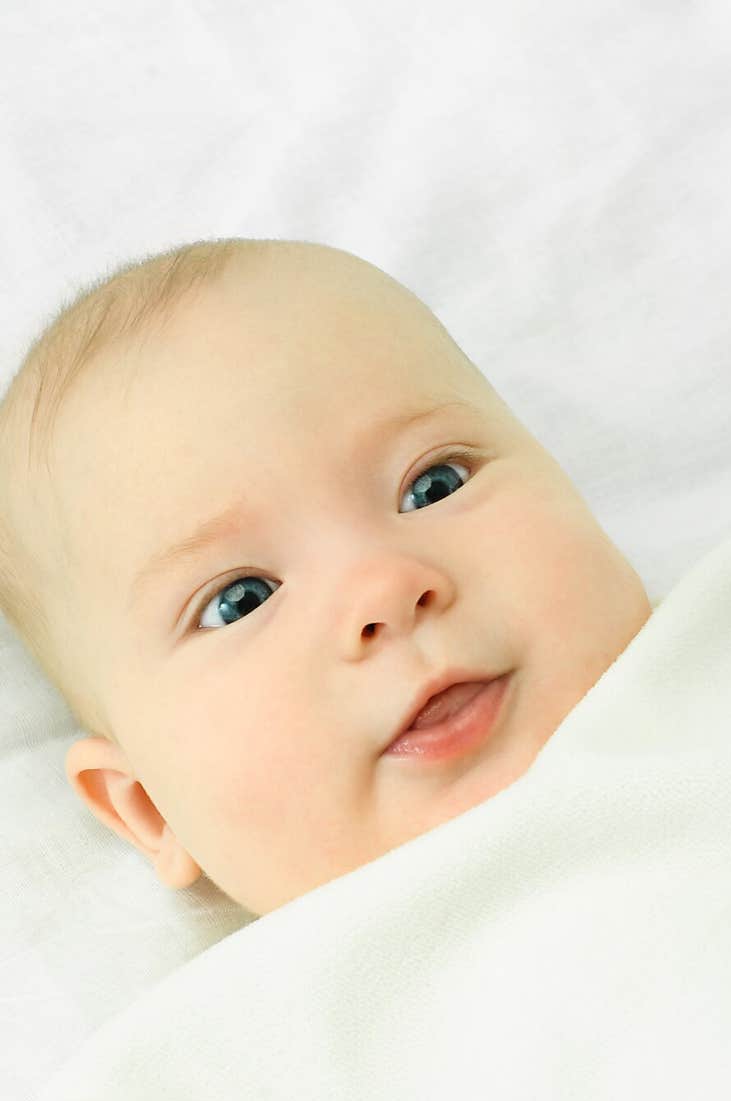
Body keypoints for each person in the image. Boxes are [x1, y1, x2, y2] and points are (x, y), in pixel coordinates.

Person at [0, 237, 652, 917]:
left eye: (431, 485)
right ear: (152, 810)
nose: (385, 590)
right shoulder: (270, 1013)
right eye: (240, 600)